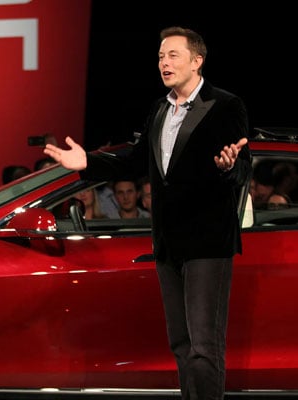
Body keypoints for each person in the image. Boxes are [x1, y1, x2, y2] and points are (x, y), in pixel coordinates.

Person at [44, 26, 251, 400]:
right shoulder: (159, 108)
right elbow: (134, 163)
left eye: (173, 55)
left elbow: (239, 164)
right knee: (182, 344)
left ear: (197, 60)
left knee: (205, 347)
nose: (164, 63)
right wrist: (86, 162)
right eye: (160, 56)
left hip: (206, 242)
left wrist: (227, 166)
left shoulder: (225, 105)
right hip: (168, 243)